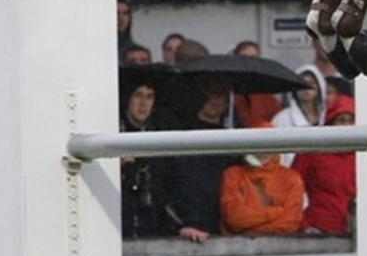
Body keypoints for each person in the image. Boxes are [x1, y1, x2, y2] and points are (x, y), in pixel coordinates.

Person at [162, 79, 239, 242]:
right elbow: (173, 184)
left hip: (227, 228)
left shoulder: (234, 140)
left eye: (221, 94)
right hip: (186, 229)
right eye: (209, 93)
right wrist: (185, 222)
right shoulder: (181, 137)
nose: (215, 99)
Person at [293, 95, 359, 234]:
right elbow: (292, 189)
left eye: (351, 121)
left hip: (361, 230)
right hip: (318, 229)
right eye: (341, 120)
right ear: (331, 123)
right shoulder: (312, 151)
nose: (347, 126)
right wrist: (304, 225)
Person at [119, 73, 170, 238]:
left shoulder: (161, 134)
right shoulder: (112, 131)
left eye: (149, 97)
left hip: (152, 219)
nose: (143, 103)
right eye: (138, 95)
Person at [219, 142, 305, 235]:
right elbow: (234, 218)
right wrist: (277, 212)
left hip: (279, 243)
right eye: (256, 144)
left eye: (267, 144)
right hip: (237, 243)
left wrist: (249, 231)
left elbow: (290, 224)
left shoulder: (291, 178)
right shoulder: (233, 174)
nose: (261, 151)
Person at [271, 64, 326, 166]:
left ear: (320, 87)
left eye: (311, 83)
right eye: (302, 84)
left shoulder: (328, 115)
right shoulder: (282, 119)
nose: (306, 88)